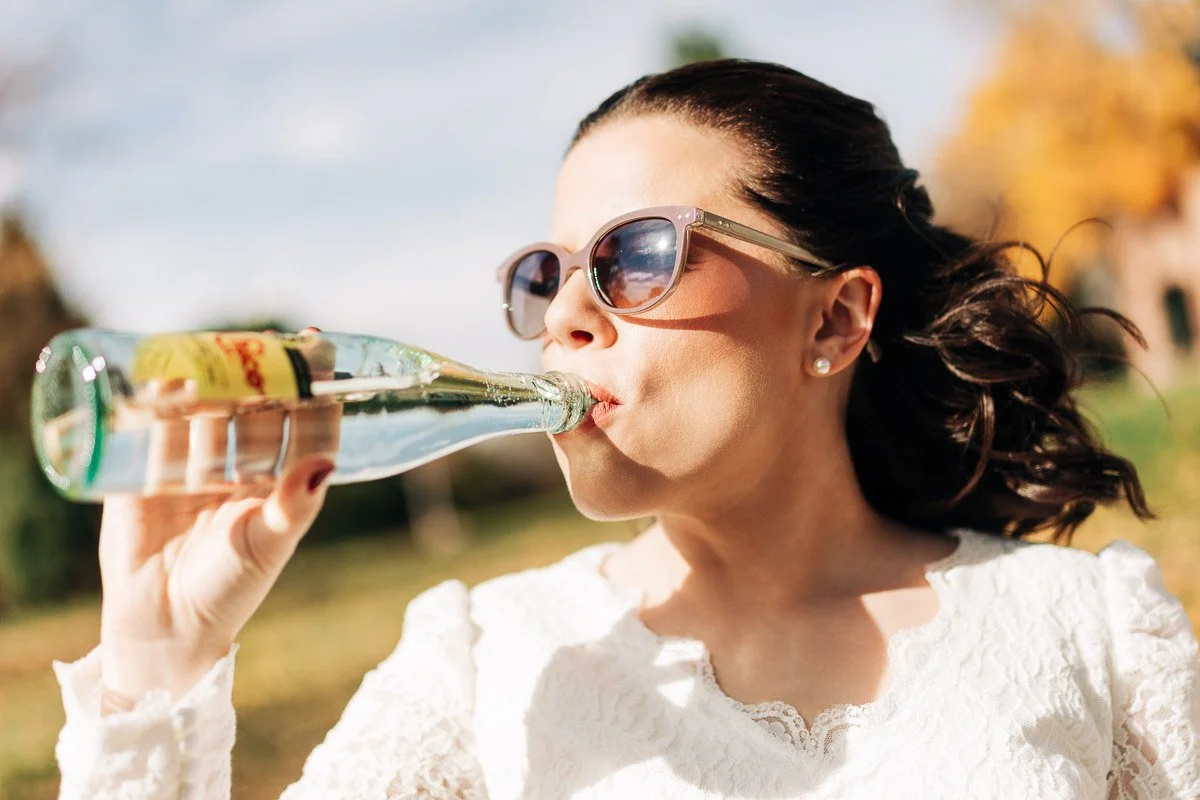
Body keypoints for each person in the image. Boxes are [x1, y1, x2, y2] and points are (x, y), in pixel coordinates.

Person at [52, 59, 1198, 799]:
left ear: (837, 316)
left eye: (636, 256)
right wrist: (159, 658)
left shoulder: (1086, 630)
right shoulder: (491, 660)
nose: (563, 316)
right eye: (547, 273)